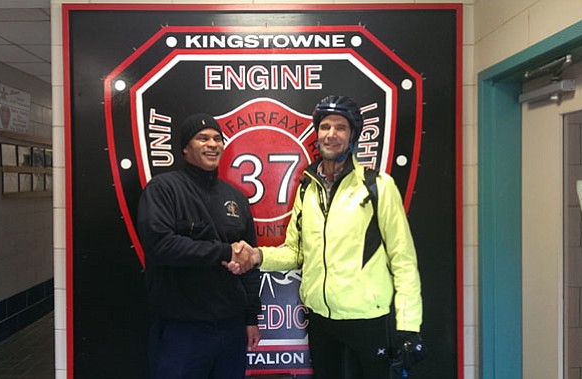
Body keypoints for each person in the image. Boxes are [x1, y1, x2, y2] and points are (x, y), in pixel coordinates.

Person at [227, 95, 425, 379]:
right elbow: (295, 253)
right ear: (317, 133)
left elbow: (403, 260)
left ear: (353, 134)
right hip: (321, 319)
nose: (331, 134)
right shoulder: (307, 189)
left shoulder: (377, 186)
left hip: (368, 319)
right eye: (325, 126)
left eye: (341, 127)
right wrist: (257, 256)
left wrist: (408, 326)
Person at [137, 113, 261, 379]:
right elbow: (160, 245)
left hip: (231, 328)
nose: (212, 144)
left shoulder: (236, 198)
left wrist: (251, 318)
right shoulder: (163, 189)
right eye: (202, 138)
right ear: (185, 148)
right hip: (182, 331)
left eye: (218, 138)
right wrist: (225, 252)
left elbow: (249, 264)